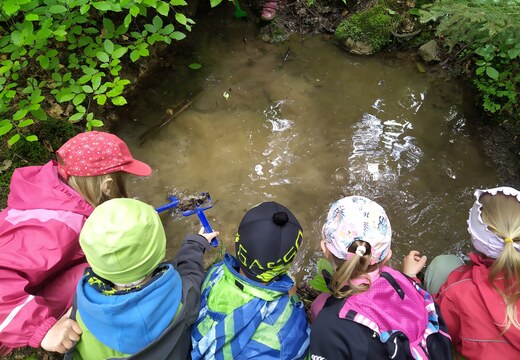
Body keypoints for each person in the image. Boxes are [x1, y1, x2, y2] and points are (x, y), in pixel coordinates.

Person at [0, 131, 152, 356]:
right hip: (8, 313)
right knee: (102, 269)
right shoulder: (56, 229)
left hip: (20, 295)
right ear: (108, 186)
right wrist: (42, 330)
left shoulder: (51, 193)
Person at [64, 198, 218, 360]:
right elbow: (190, 272)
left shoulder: (83, 301)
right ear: (160, 250)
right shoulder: (182, 297)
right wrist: (196, 243)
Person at [309, 195, 452, 360]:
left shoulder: (328, 325)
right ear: (387, 256)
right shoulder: (399, 279)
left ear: (325, 249)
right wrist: (410, 277)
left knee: (320, 304)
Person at [427, 186, 520, 359]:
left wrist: (410, 279)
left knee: (444, 264)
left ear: (477, 240)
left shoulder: (458, 290)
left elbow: (436, 326)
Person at [191, 201, 310, 359]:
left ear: (238, 244)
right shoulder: (287, 325)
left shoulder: (215, 273)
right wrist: (294, 299)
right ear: (287, 262)